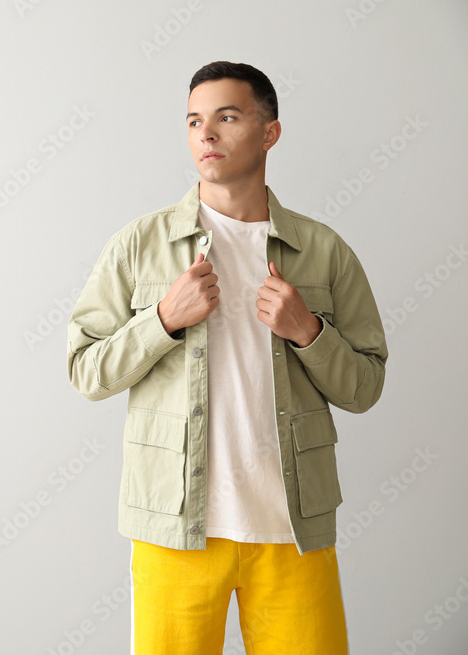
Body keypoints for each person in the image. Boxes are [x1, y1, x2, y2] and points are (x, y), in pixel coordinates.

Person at [65, 61, 387, 654]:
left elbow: (365, 385)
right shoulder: (139, 245)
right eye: (194, 120)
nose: (205, 134)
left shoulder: (323, 251)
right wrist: (161, 321)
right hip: (175, 530)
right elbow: (86, 369)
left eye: (227, 117)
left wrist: (308, 332)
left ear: (270, 133)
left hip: (292, 529)